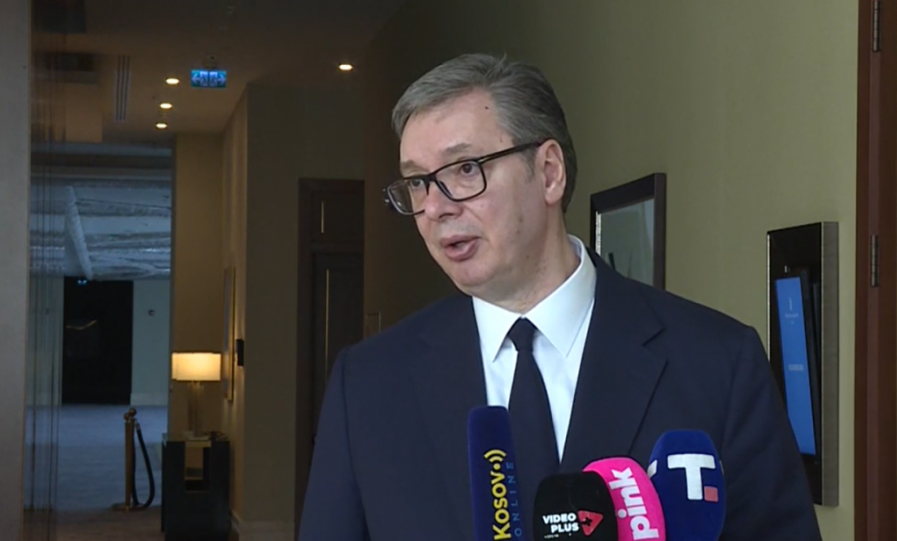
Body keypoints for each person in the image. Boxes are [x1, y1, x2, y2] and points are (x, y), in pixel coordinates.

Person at [298, 53, 821, 541]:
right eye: (417, 182)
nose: (435, 207)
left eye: (465, 169)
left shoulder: (718, 364)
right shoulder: (367, 386)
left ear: (549, 172)